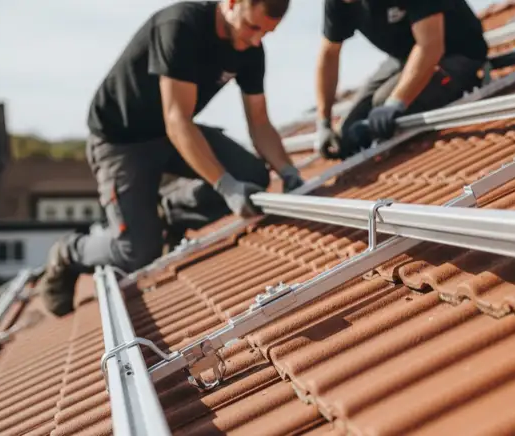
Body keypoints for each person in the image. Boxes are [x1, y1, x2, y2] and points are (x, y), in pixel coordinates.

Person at [36, 0, 303, 316]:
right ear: (231, 3)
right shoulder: (181, 26)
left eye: (267, 33)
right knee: (137, 253)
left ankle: (169, 211)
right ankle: (68, 252)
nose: (257, 40)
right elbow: (177, 119)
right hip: (122, 141)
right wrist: (225, 186)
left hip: (171, 133)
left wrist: (288, 171)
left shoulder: (251, 49)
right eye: (253, 27)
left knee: (253, 179)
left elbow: (259, 121)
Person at [314, 0, 488, 158]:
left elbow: (430, 46)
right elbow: (329, 54)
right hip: (402, 57)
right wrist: (324, 122)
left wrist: (395, 103)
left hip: (456, 51)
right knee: (346, 135)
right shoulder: (337, 3)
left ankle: (461, 81)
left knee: (383, 109)